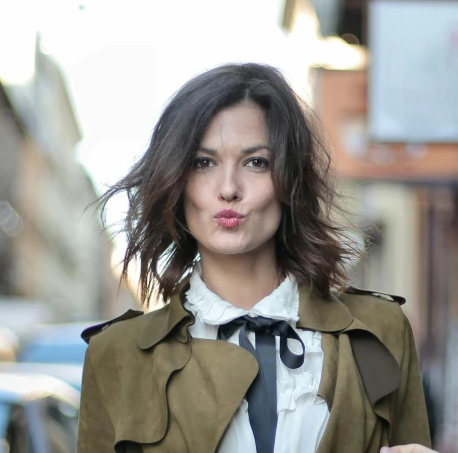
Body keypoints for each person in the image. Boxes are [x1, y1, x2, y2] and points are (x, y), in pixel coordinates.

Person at [78, 64, 435, 453]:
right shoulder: (117, 355)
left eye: (255, 162)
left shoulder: (380, 331)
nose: (229, 189)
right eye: (203, 162)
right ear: (177, 181)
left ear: (289, 180)